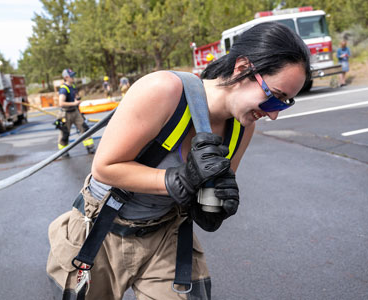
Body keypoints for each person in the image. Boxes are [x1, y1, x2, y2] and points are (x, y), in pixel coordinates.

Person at [47, 22, 311, 299]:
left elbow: (207, 195)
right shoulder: (164, 90)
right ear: (243, 68)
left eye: (284, 103)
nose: (273, 115)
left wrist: (213, 208)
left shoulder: (242, 128)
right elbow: (105, 167)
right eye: (274, 99)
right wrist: (178, 179)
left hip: (166, 237)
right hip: (100, 230)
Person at [57, 68, 95, 155]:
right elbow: (61, 103)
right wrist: (74, 103)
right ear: (66, 77)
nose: (73, 77)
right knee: (64, 133)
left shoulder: (72, 86)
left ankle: (90, 147)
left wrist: (77, 99)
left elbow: (75, 96)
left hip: (75, 112)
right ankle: (63, 151)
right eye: (71, 76)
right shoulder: (63, 89)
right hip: (65, 114)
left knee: (84, 128)